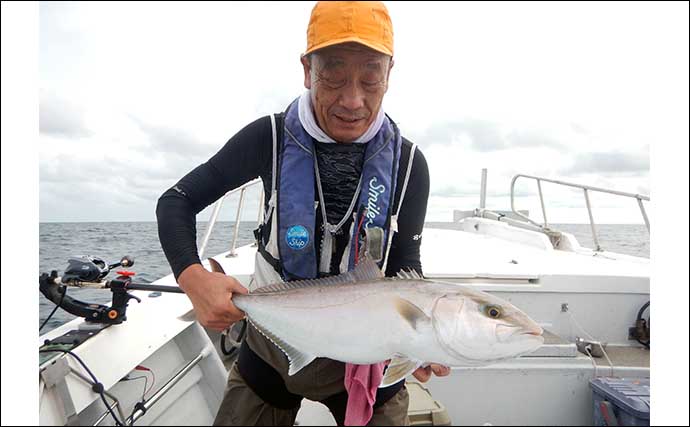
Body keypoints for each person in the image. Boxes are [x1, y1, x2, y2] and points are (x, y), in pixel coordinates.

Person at [156, 2, 448, 425]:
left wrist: (422, 341)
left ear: (389, 74)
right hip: (274, 346)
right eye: (332, 73)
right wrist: (193, 277)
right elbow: (176, 201)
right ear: (307, 70)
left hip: (370, 356)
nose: (353, 100)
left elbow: (406, 265)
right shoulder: (268, 138)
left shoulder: (409, 164)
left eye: (370, 76)